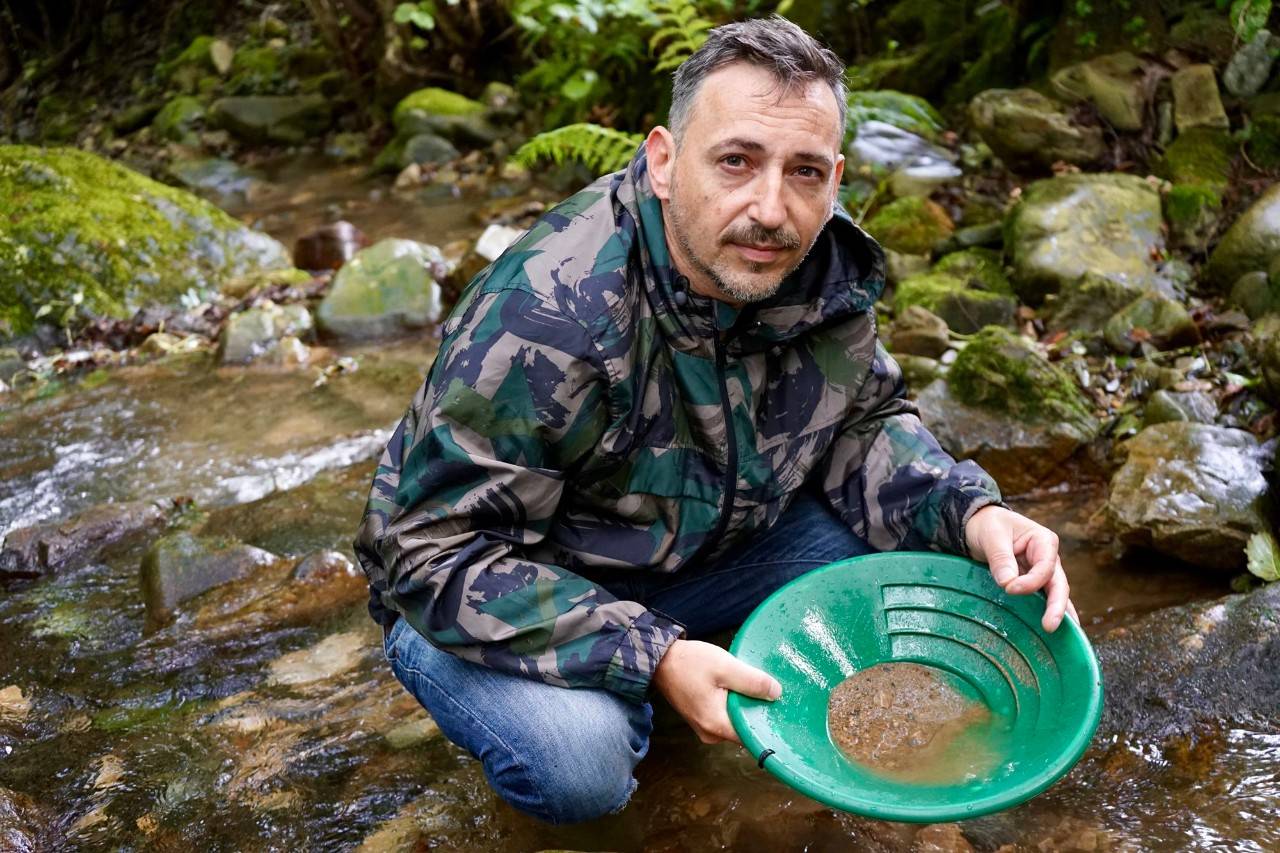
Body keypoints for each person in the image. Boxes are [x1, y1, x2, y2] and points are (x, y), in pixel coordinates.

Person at [354, 15, 1075, 825]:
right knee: (579, 764)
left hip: (707, 549)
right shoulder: (550, 311)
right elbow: (424, 550)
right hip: (514, 578)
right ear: (664, 161)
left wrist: (974, 513)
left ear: (834, 179)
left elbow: (864, 421)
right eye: (736, 161)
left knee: (962, 559)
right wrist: (650, 654)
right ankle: (647, 682)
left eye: (804, 172)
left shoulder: (820, 270)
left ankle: (707, 655)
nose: (771, 208)